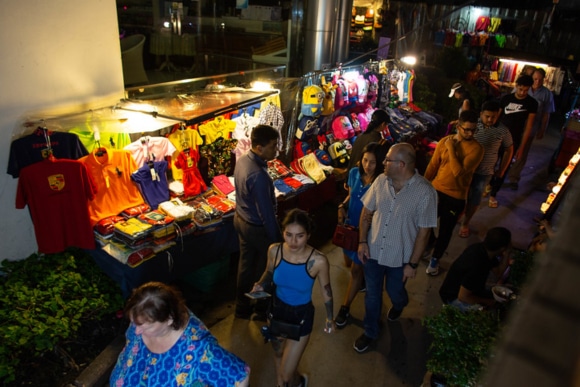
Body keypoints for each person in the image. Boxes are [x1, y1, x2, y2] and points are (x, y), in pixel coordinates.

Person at [354, 143, 437, 353]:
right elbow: (366, 213)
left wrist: (413, 264)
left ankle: (400, 303)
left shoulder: (425, 192)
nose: (383, 163)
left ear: (401, 164)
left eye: (387, 160)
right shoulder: (381, 181)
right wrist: (362, 241)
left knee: (394, 291)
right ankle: (370, 331)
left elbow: (424, 232)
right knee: (372, 295)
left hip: (400, 258)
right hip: (373, 252)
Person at [251, 208, 335, 387]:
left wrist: (329, 318)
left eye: (300, 236)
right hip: (276, 310)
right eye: (288, 235)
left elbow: (326, 291)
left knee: (287, 375)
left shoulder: (319, 261)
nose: (293, 241)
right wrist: (260, 284)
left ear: (309, 235)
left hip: (301, 316)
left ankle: (297, 381)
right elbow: (269, 272)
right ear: (283, 232)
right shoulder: (275, 251)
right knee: (279, 355)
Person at [109, 282, 250, 387]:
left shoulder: (199, 350)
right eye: (134, 322)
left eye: (147, 326)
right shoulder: (142, 320)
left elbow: (240, 375)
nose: (137, 331)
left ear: (169, 319)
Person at [424, 110, 484, 276]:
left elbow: (458, 172)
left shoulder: (477, 149)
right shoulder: (444, 142)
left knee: (446, 230)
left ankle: (435, 259)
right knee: (422, 222)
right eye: (467, 129)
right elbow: (433, 166)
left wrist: (451, 149)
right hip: (436, 190)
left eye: (474, 130)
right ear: (458, 127)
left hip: (456, 197)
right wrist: (422, 184)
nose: (470, 133)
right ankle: (429, 243)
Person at [335, 142, 388, 327]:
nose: (367, 165)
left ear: (380, 163)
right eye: (365, 160)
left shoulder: (382, 183)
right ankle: (361, 281)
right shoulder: (354, 174)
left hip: (367, 233)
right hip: (350, 227)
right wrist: (342, 205)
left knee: (355, 270)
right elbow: (352, 195)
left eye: (372, 162)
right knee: (348, 263)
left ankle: (345, 308)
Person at [233, 124, 283, 320]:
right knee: (267, 268)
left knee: (245, 266)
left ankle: (241, 307)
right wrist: (278, 241)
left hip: (241, 220)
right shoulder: (258, 175)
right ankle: (261, 309)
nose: (276, 150)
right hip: (256, 227)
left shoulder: (243, 160)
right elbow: (267, 215)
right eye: (272, 146)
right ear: (259, 147)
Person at [459, 100, 514, 237]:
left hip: (484, 171)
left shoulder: (502, 130)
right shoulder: (472, 125)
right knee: (459, 195)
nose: (490, 120)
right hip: (465, 169)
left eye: (493, 117)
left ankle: (465, 223)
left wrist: (502, 169)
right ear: (481, 114)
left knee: (475, 198)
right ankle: (457, 216)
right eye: (487, 116)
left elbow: (509, 149)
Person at [488, 75, 537, 202]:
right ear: (516, 86)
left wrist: (521, 147)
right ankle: (489, 184)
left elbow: (528, 127)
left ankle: (493, 194)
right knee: (490, 163)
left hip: (513, 140)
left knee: (504, 167)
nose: (522, 93)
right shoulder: (506, 99)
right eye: (520, 89)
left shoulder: (532, 103)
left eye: (526, 90)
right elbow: (497, 118)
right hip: (497, 137)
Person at [439, 227, 512, 311]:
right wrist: (488, 302)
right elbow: (463, 297)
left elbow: (499, 272)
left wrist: (507, 254)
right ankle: (451, 308)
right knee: (487, 311)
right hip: (452, 297)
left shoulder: (483, 250)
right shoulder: (478, 265)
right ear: (502, 248)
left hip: (464, 290)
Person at [507, 68, 555, 187]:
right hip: (514, 126)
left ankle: (513, 178)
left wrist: (542, 129)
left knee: (522, 153)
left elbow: (546, 114)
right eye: (535, 79)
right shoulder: (523, 88)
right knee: (507, 149)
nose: (537, 82)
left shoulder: (546, 94)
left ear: (544, 79)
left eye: (540, 79)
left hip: (531, 128)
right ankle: (499, 173)